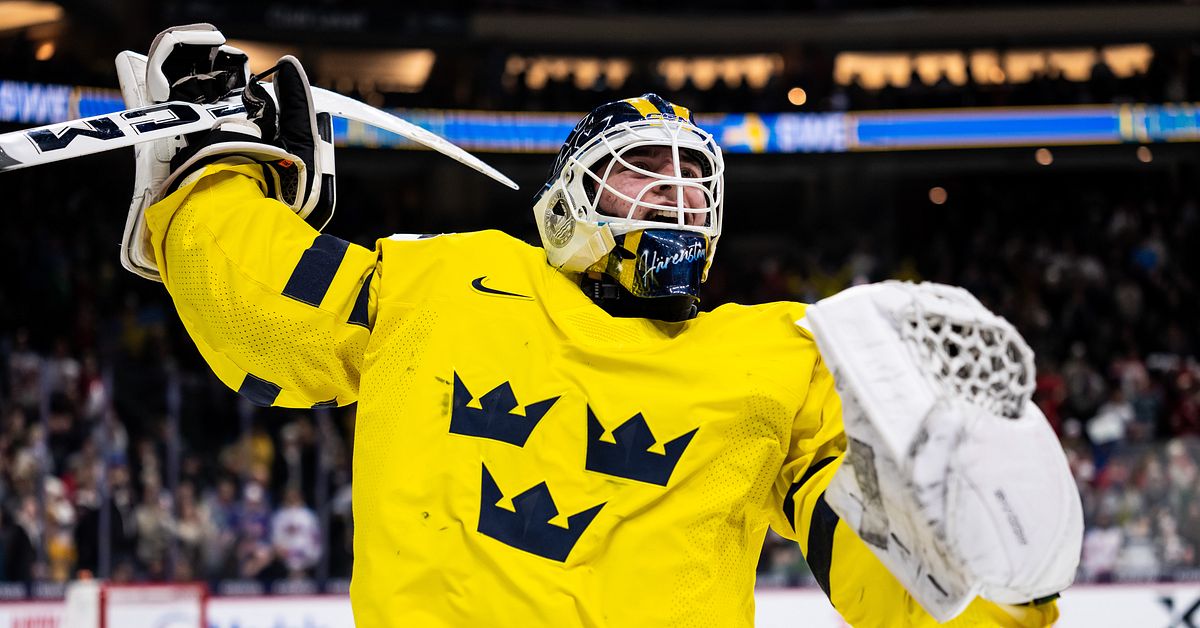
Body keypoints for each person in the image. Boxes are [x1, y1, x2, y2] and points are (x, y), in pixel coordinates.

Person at [126, 25, 1075, 627]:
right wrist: (214, 171)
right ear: (565, 205)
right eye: (642, 171)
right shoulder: (448, 282)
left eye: (692, 178)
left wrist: (1005, 590)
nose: (675, 195)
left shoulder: (781, 359)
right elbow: (267, 303)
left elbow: (888, 574)